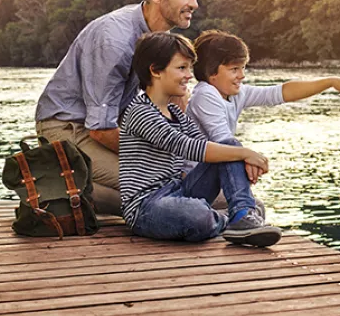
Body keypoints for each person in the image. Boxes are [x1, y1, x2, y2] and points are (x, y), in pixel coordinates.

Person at [35, 0, 200, 216]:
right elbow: (100, 127)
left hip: (105, 125)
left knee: (182, 176)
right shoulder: (114, 39)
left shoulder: (161, 39)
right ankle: (59, 183)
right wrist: (157, 157)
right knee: (159, 181)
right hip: (68, 127)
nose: (194, 4)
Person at [119, 31, 281, 247]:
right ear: (155, 70)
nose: (189, 75)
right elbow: (188, 146)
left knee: (228, 146)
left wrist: (237, 152)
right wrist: (246, 154)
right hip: (147, 207)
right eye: (181, 68)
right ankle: (227, 219)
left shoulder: (176, 113)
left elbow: (213, 147)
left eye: (189, 68)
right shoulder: (140, 112)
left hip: (180, 190)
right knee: (197, 216)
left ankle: (242, 213)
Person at [186, 30, 340, 185]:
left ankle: (243, 210)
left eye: (243, 68)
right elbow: (223, 141)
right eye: (234, 69)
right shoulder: (205, 94)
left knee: (257, 206)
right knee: (234, 150)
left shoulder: (236, 93)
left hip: (214, 174)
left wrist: (330, 82)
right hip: (194, 178)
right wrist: (247, 156)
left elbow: (281, 92)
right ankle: (242, 211)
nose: (242, 75)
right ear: (211, 73)